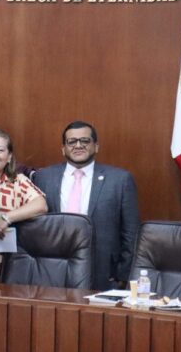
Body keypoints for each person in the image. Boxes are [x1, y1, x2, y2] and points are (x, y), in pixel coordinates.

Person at [33, 121, 140, 290]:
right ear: (63, 149)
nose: (78, 145)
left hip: (103, 272)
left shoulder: (120, 180)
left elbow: (131, 233)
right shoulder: (43, 177)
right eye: (72, 142)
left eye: (85, 141)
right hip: (52, 270)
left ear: (96, 146)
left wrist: (122, 275)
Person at [0, 129, 48, 280]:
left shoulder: (17, 181)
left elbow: (41, 204)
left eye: (0, 150)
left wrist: (7, 218)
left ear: (9, 157)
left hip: (9, 261)